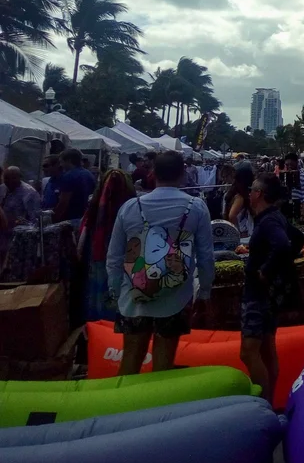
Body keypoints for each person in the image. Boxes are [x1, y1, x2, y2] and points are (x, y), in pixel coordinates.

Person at [106, 151, 213, 375]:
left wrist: (115, 291)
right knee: (164, 366)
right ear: (183, 174)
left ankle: (125, 405)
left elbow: (114, 256)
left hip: (134, 295)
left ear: (153, 174)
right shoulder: (196, 207)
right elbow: (205, 255)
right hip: (176, 296)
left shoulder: (130, 207)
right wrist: (204, 291)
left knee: (130, 359)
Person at [240, 175, 295, 404]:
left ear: (259, 194)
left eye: (252, 190)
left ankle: (263, 401)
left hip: (258, 292)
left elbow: (283, 243)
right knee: (266, 348)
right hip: (267, 293)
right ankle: (269, 401)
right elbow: (296, 238)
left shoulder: (268, 221)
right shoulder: (272, 217)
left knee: (249, 351)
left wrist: (265, 270)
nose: (249, 193)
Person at [80, 168, 136, 320]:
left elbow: (82, 237)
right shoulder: (134, 209)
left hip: (99, 259)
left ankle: (99, 324)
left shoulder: (94, 208)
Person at [0, 166, 41, 269]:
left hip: (16, 238)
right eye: (6, 178)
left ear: (20, 177)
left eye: (13, 178)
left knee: (10, 266)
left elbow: (35, 220)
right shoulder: (2, 189)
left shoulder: (29, 193)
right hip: (1, 235)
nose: (9, 181)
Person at [45, 148, 96, 228]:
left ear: (68, 160)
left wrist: (52, 221)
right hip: (86, 219)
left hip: (71, 220)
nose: (61, 165)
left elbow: (63, 203)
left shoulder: (68, 176)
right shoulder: (89, 175)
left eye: (61, 162)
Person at [227, 163, 256, 240]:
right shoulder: (240, 197)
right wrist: (238, 232)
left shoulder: (237, 192)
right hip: (243, 233)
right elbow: (232, 216)